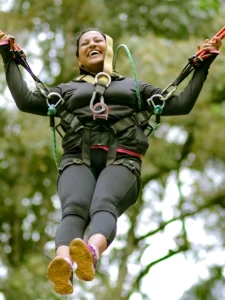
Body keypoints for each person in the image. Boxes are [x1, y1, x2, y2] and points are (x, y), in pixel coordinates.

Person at [0, 28, 222, 295]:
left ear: (108, 49)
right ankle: (63, 262)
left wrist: (202, 66)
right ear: (79, 58)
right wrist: (8, 57)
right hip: (77, 157)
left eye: (98, 40)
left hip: (123, 158)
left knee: (103, 202)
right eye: (85, 43)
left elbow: (181, 103)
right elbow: (25, 100)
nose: (92, 43)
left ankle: (90, 252)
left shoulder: (134, 88)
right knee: (74, 207)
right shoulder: (67, 90)